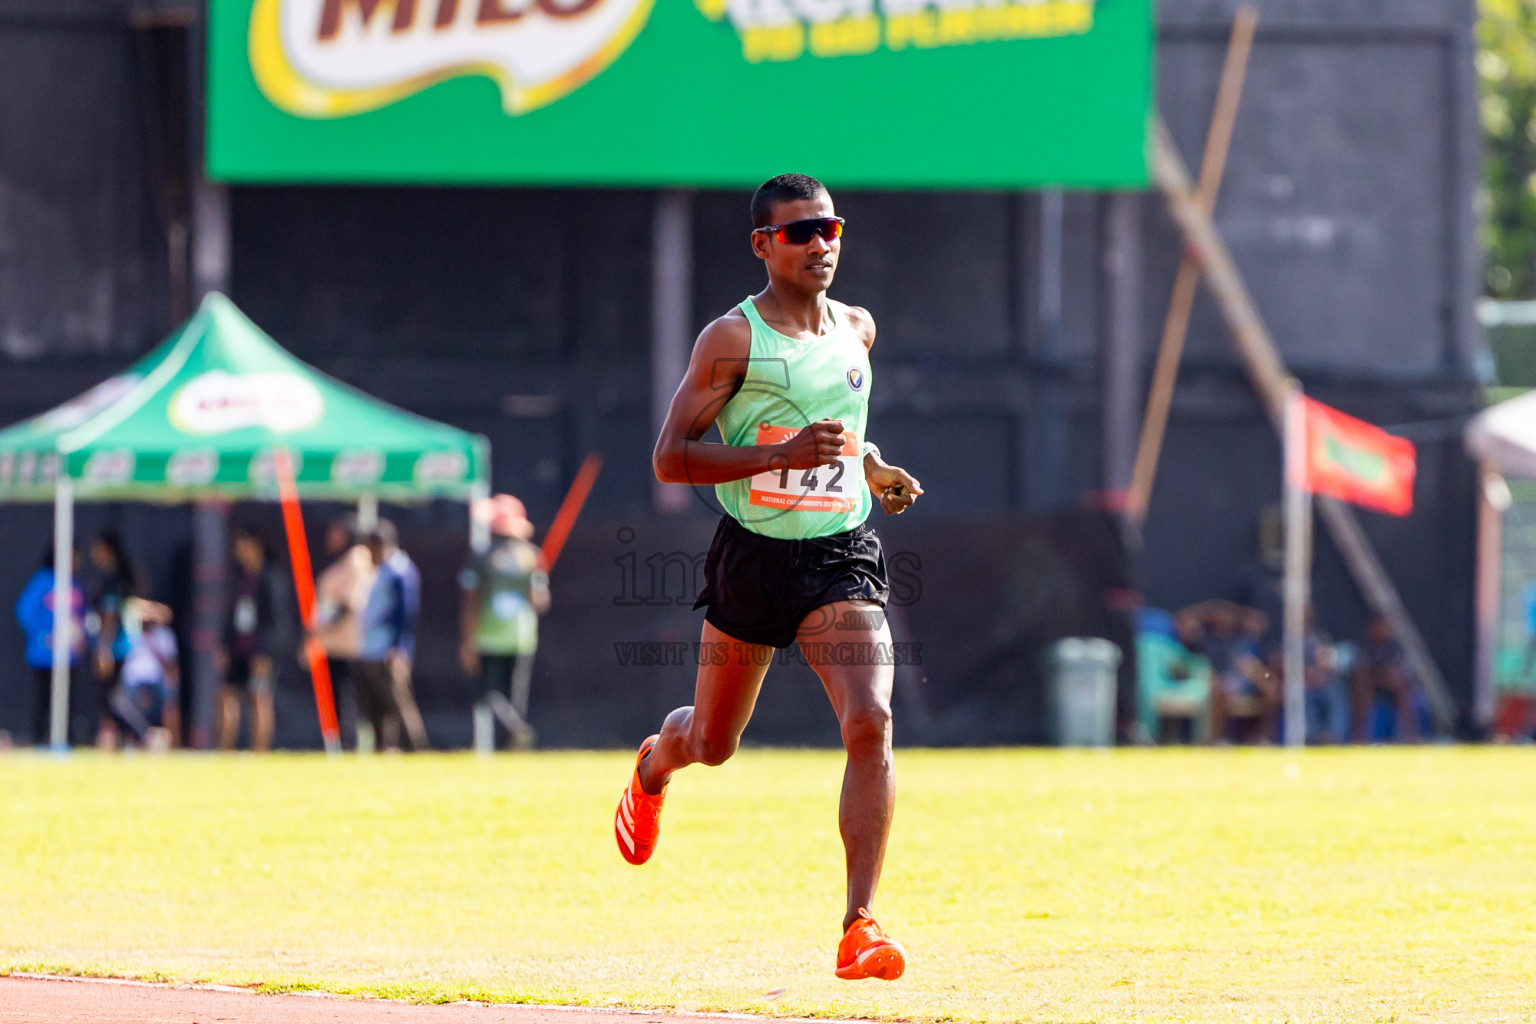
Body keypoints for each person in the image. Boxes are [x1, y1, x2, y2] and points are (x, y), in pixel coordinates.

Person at [613, 173, 924, 981]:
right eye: (800, 232)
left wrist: (873, 468)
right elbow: (670, 458)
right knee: (712, 744)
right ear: (763, 245)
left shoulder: (857, 328)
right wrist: (776, 456)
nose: (820, 244)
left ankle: (859, 924)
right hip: (752, 556)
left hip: (839, 555)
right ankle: (654, 764)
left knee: (871, 721)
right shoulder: (731, 339)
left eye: (830, 228)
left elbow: (843, 432)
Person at [460, 494, 549, 751]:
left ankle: (514, 732)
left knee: (488, 694)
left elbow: (471, 601)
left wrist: (467, 640)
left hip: (488, 635)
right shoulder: (532, 556)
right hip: (522, 635)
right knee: (514, 696)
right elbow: (540, 601)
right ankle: (513, 739)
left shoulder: (482, 557)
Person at [356, 520, 428, 752]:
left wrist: (398, 647)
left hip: (389, 649)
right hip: (372, 647)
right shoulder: (381, 569)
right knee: (376, 704)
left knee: (398, 701)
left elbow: (405, 612)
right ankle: (385, 748)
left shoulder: (399, 570)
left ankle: (416, 749)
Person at [220, 526, 292, 752]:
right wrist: (225, 645)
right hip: (238, 648)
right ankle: (224, 750)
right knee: (226, 694)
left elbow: (278, 621)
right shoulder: (238, 577)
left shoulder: (271, 577)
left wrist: (265, 653)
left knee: (260, 697)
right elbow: (231, 615)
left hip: (261, 651)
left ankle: (259, 751)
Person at [312, 516, 377, 749]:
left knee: (347, 698)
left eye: (336, 534)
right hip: (332, 644)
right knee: (335, 699)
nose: (331, 539)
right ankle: (336, 743)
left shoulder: (357, 559)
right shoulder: (342, 561)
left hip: (348, 644)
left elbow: (349, 604)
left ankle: (348, 744)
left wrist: (320, 627)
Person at [14, 548, 85, 746]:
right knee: (44, 699)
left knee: (67, 700)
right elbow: (25, 611)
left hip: (68, 655)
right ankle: (39, 739)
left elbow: (81, 614)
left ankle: (66, 740)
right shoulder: (43, 580)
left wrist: (79, 636)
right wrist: (45, 636)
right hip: (43, 655)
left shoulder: (72, 582)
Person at [86, 530, 139, 747]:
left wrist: (104, 649)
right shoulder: (115, 576)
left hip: (116, 646)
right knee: (110, 697)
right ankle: (120, 738)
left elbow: (110, 616)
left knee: (111, 697)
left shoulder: (115, 578)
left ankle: (141, 734)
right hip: (120, 644)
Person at [111, 598, 180, 750]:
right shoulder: (132, 632)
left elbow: (171, 666)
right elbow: (131, 606)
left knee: (169, 700)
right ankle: (146, 735)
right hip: (132, 682)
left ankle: (171, 742)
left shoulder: (164, 635)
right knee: (119, 703)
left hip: (155, 683)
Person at [1353, 613, 1430, 742]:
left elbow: (1399, 672)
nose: (1379, 629)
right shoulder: (1366, 647)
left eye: (1382, 625)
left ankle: (1410, 736)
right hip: (1373, 688)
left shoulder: (1396, 647)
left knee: (1403, 688)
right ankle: (1359, 737)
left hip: (1396, 688)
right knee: (1362, 687)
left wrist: (1385, 677)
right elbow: (1361, 670)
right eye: (1376, 625)